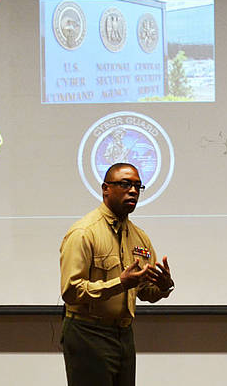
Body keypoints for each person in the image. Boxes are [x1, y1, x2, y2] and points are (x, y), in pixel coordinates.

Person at [60, 162, 174, 386]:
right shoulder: (84, 233)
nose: (133, 191)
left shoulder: (139, 237)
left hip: (124, 334)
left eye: (137, 186)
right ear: (106, 189)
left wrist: (163, 287)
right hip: (87, 333)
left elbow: (144, 292)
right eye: (125, 184)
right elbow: (71, 291)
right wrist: (120, 283)